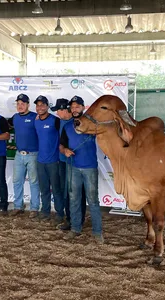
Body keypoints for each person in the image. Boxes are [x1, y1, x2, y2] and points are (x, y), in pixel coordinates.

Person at [60, 96, 103, 243]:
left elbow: (105, 133)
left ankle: (97, 232)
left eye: (77, 106)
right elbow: (61, 145)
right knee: (74, 199)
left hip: (90, 168)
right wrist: (64, 150)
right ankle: (75, 229)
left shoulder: (92, 125)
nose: (74, 109)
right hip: (73, 167)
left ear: (84, 108)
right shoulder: (66, 127)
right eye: (72, 107)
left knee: (93, 201)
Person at [51, 98, 87, 231]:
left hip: (75, 163)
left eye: (58, 110)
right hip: (62, 161)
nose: (57, 113)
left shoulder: (80, 122)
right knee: (66, 192)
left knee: (77, 192)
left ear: (65, 110)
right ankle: (70, 219)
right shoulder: (58, 122)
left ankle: (78, 220)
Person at [8, 93, 40, 219]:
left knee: (33, 182)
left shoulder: (35, 117)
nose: (20, 106)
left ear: (28, 104)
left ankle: (34, 208)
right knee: (17, 181)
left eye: (23, 104)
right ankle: (18, 206)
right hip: (18, 154)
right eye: (18, 104)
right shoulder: (15, 117)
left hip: (33, 154)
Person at [34, 95, 64, 224]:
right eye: (38, 105)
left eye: (42, 105)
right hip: (40, 161)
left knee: (56, 189)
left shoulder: (55, 120)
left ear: (47, 106)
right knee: (44, 188)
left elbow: (64, 136)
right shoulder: (36, 120)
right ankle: (45, 211)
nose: (40, 107)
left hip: (54, 161)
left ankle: (59, 212)